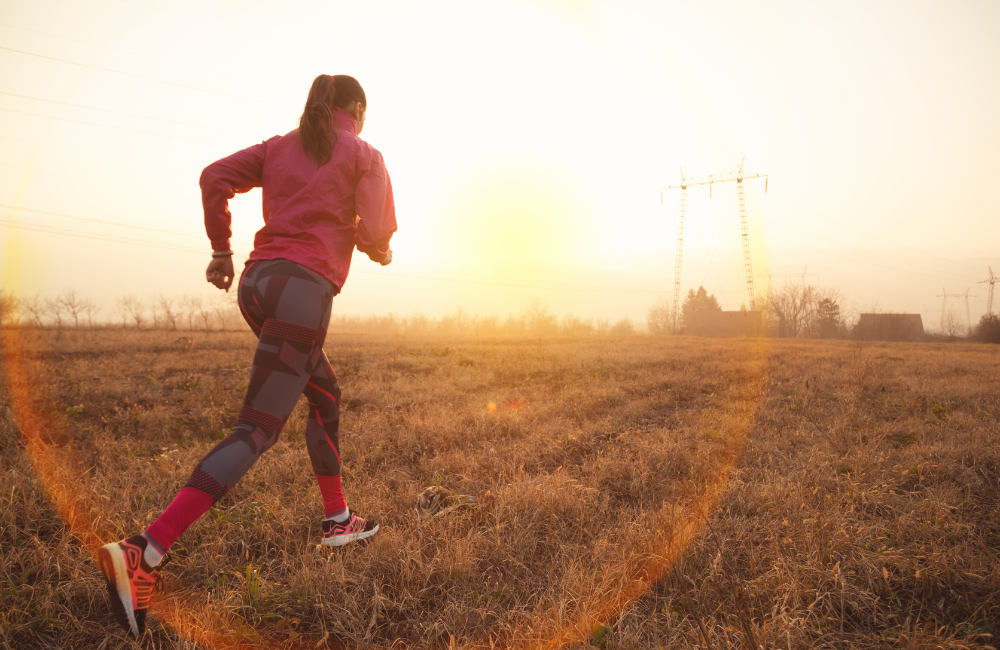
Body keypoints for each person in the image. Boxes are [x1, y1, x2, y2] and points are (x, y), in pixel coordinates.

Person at [97, 73, 396, 638]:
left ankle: (338, 521)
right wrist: (373, 244)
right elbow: (378, 227)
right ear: (355, 108)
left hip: (258, 285)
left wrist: (219, 249)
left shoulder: (278, 147)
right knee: (255, 430)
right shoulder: (364, 153)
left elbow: (214, 177)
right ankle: (145, 550)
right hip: (304, 292)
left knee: (325, 395)